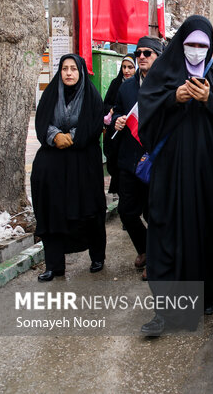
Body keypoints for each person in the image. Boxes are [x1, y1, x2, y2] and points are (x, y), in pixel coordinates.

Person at [138, 15, 213, 335]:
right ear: (181, 43)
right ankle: (166, 308)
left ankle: (207, 292)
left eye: (203, 46)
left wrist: (209, 101)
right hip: (170, 173)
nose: (196, 51)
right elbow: (147, 113)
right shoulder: (165, 72)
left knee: (206, 228)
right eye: (191, 45)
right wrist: (175, 98)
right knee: (165, 229)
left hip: (208, 173)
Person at [32, 54, 107, 281]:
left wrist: (72, 137)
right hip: (54, 161)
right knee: (51, 210)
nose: (68, 73)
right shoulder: (51, 93)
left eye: (73, 69)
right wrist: (55, 137)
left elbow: (93, 125)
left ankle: (97, 256)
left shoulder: (91, 97)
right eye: (64, 68)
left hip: (83, 162)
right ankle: (54, 265)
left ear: (81, 71)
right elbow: (42, 121)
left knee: (89, 211)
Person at [111, 37, 162, 280]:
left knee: (154, 214)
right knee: (127, 212)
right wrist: (119, 118)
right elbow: (118, 110)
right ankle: (144, 249)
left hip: (156, 160)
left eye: (147, 53)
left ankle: (154, 261)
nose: (141, 56)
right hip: (130, 160)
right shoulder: (127, 87)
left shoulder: (166, 84)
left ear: (158, 56)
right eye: (138, 52)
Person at [103, 54, 136, 194]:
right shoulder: (115, 84)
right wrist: (112, 111)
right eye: (124, 67)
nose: (126, 70)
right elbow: (106, 104)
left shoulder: (139, 86)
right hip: (116, 133)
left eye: (130, 67)